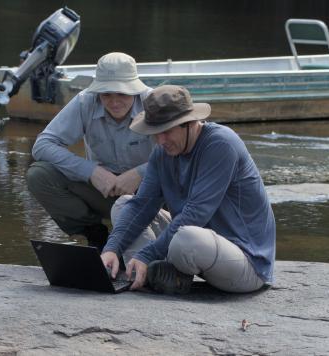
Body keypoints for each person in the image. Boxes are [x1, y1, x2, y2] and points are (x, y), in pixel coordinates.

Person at [101, 85, 276, 294]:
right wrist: (112, 248)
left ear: (190, 123)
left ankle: (153, 266)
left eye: (166, 131)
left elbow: (196, 214)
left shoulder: (221, 144)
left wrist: (147, 253)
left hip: (246, 261)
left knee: (186, 239)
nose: (160, 140)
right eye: (155, 133)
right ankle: (140, 273)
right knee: (122, 205)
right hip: (200, 245)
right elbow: (142, 205)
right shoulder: (162, 152)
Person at [27, 52, 155, 250]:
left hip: (155, 193)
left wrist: (140, 173)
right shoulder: (84, 101)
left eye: (122, 94)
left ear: (135, 90)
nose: (114, 102)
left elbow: (186, 153)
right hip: (106, 190)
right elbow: (43, 144)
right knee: (39, 175)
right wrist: (91, 171)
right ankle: (95, 234)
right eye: (106, 94)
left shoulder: (154, 102)